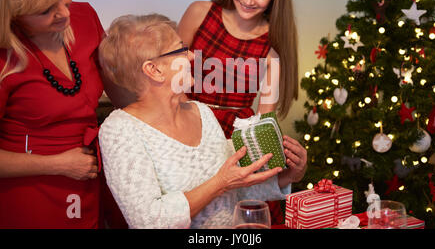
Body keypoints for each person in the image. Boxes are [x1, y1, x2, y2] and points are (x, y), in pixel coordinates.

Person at [98, 14, 307, 228]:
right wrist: (219, 183)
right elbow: (150, 221)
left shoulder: (202, 112)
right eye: (180, 50)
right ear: (154, 70)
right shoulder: (120, 130)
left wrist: (288, 176)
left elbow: (235, 190)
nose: (190, 56)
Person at [0, 0, 125, 228]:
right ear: (12, 15)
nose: (65, 14)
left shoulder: (85, 17)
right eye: (46, 10)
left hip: (88, 174)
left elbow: (119, 89)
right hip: (30, 188)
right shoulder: (4, 59)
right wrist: (57, 164)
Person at [177, 0, 299, 223]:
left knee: (233, 212)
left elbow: (264, 120)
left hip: (233, 139)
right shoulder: (200, 12)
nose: (248, 0)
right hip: (187, 123)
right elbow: (173, 76)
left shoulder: (272, 45)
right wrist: (190, 126)